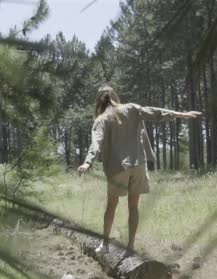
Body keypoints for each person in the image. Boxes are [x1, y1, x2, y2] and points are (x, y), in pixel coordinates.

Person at [77, 85, 201, 254]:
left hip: (118, 167)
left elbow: (96, 142)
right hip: (138, 165)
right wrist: (179, 114)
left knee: (111, 206)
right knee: (133, 207)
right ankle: (130, 247)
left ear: (98, 101)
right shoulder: (132, 108)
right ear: (115, 96)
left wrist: (87, 162)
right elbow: (153, 111)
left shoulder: (102, 119)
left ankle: (104, 245)